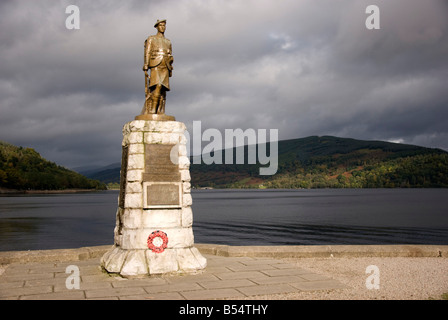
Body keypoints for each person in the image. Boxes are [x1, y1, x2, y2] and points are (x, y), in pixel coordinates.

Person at [142, 19, 174, 115]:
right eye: (160, 25)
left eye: (164, 25)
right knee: (157, 85)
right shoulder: (151, 39)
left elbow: (170, 54)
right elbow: (147, 52)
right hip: (155, 63)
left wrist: (171, 62)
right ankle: (153, 110)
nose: (162, 27)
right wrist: (146, 64)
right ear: (157, 27)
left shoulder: (168, 41)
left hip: (165, 65)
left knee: (163, 89)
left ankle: (160, 110)